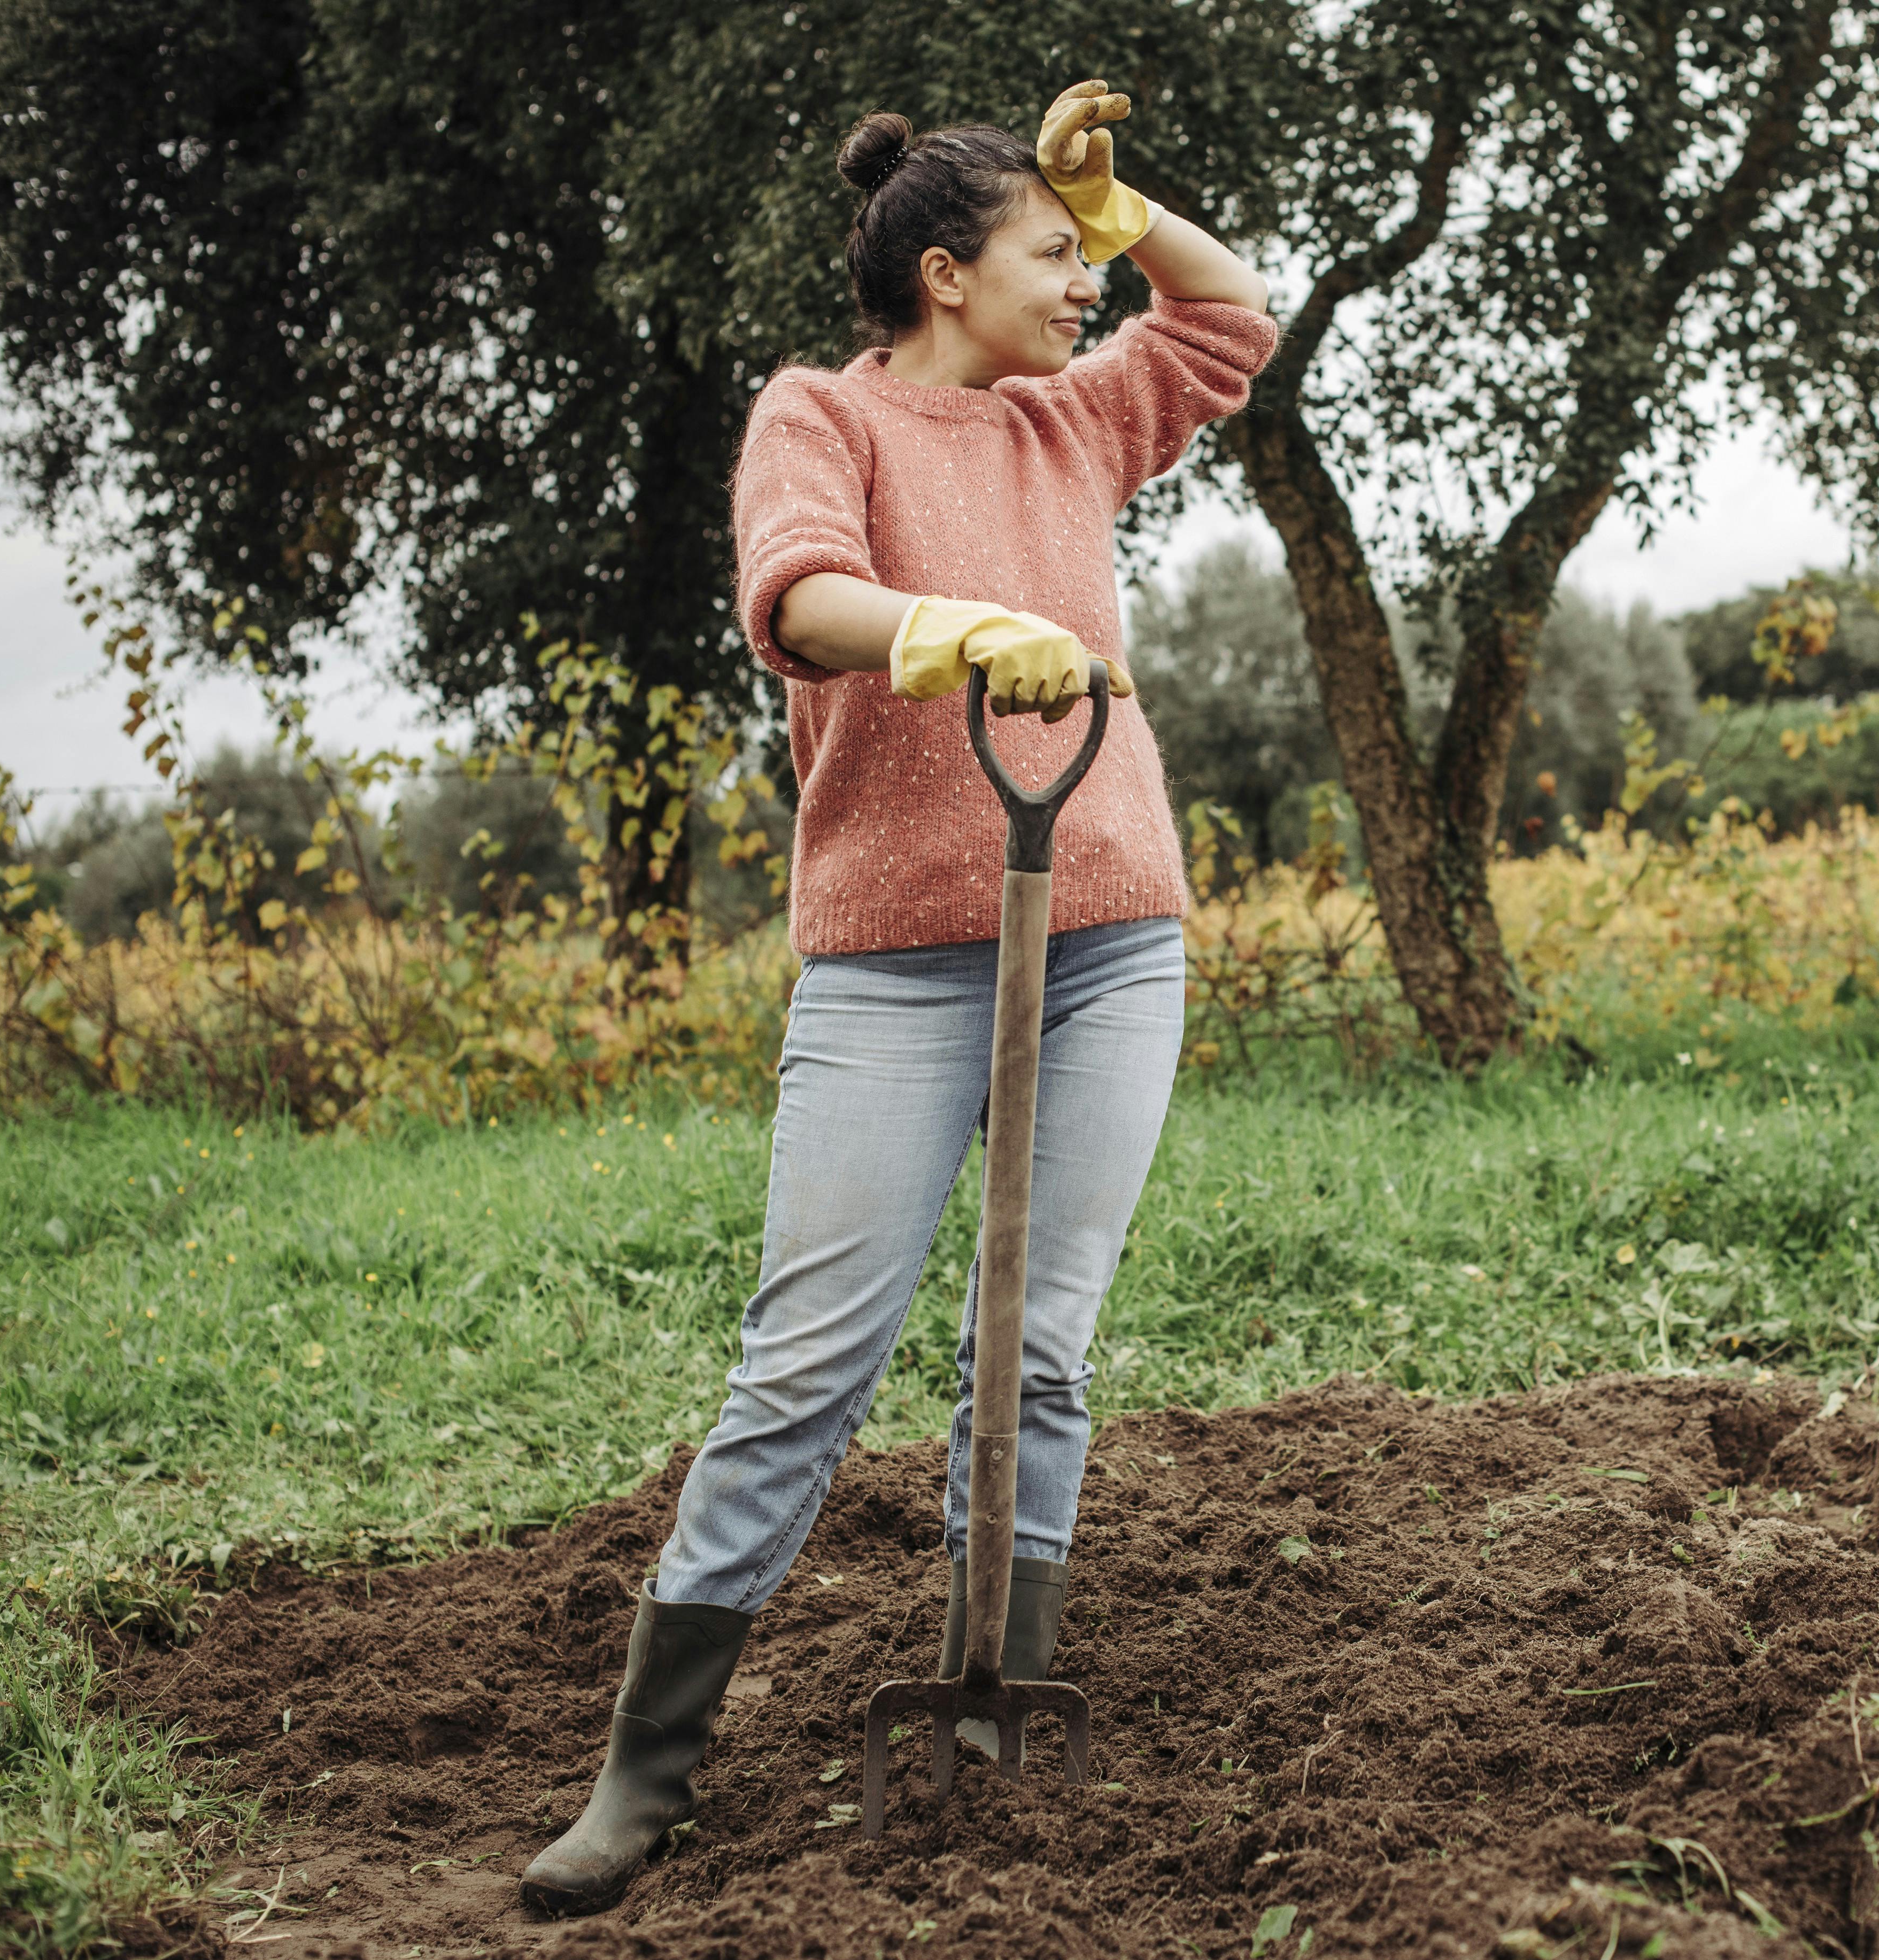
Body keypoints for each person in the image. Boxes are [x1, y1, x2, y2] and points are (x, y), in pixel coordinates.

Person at [521, 80, 1277, 1915]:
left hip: (1106, 937)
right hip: (890, 964)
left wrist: (1116, 201)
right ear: (945, 275)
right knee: (805, 1361)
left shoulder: (1072, 421)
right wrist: (945, 630)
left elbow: (1232, 318)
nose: (1081, 286)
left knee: (1037, 1341)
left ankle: (998, 1709)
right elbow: (794, 594)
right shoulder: (823, 410)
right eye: (1047, 253)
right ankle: (643, 1771)